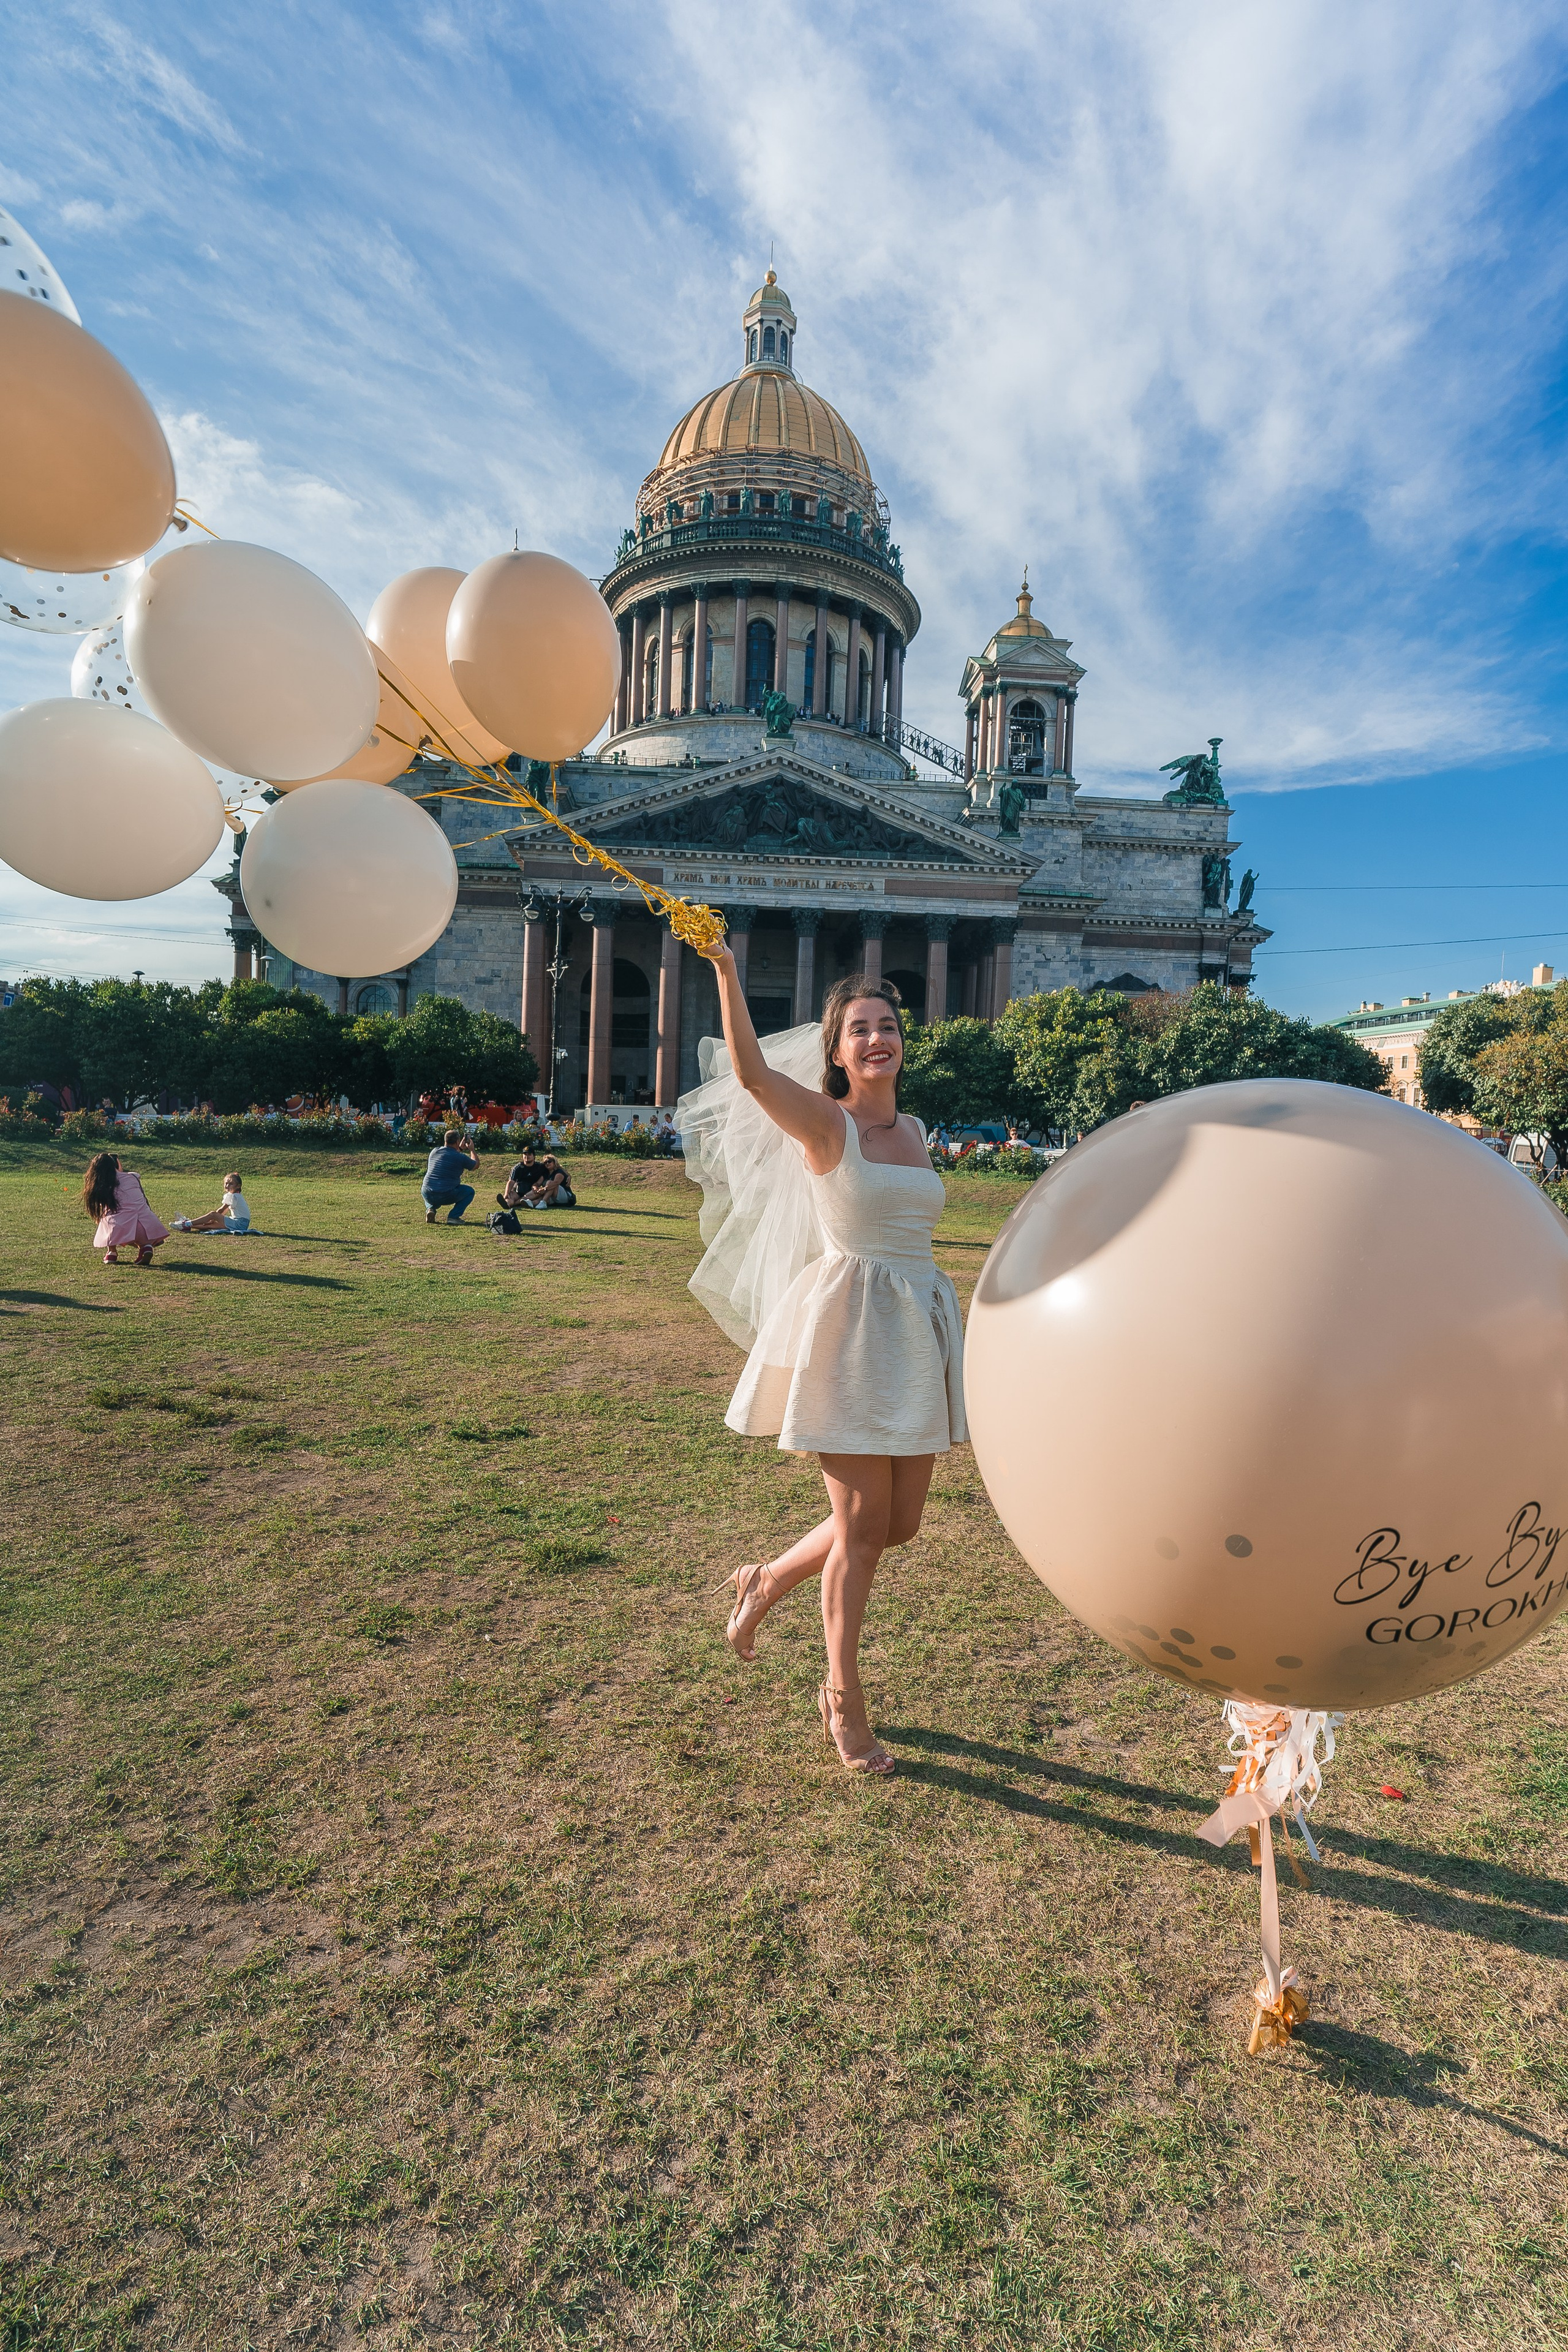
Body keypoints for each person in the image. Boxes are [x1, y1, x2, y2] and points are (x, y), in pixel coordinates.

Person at [679, 959, 963, 1776]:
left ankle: (765, 1578)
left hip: (915, 1327)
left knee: (895, 1525)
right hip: (849, 1328)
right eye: (860, 1029)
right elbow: (751, 1072)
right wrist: (732, 970)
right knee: (864, 1532)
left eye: (889, 1027)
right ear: (836, 1052)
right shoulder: (824, 1126)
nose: (878, 1039)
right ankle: (844, 1698)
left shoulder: (913, 1132)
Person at [83, 1152, 170, 1267]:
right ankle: (146, 1247)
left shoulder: (102, 1185)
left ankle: (111, 1252)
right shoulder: (133, 1177)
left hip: (121, 1228)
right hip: (149, 1225)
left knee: (107, 1216)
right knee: (135, 1218)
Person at [422, 1129, 478, 1223]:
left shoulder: (435, 1151)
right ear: (457, 1141)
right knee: (470, 1192)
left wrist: (459, 1149)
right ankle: (453, 1217)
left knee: (430, 1189)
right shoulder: (461, 1158)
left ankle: (430, 1208)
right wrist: (472, 1150)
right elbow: (475, 1165)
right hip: (445, 1194)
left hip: (427, 1192)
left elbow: (450, 1155)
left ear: (445, 1140)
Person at [175, 1173, 252, 1234]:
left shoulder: (233, 1196)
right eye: (226, 1183)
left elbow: (221, 1210)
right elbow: (224, 1212)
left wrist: (212, 1218)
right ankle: (187, 1226)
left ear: (238, 1186)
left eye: (231, 1184)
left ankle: (185, 1223)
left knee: (213, 1214)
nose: (228, 1186)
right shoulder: (236, 1195)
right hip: (242, 1225)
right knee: (210, 1226)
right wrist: (212, 1221)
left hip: (239, 1223)